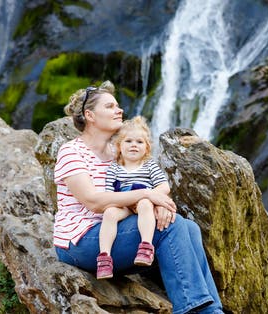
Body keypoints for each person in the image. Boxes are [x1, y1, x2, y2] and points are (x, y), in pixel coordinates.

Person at [53, 80, 223, 313]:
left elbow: (149, 183)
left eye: (117, 106)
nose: (119, 110)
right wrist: (147, 195)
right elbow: (93, 201)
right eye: (110, 107)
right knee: (171, 229)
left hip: (119, 230)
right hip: (81, 242)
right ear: (90, 115)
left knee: (189, 227)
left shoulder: (118, 152)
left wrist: (157, 205)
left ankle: (213, 310)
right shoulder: (72, 152)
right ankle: (194, 309)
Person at [98, 116, 169, 279]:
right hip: (123, 203)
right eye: (128, 141)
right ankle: (104, 257)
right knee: (109, 213)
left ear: (147, 148)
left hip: (141, 204)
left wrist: (157, 200)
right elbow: (109, 195)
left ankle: (145, 246)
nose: (134, 145)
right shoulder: (114, 168)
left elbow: (164, 186)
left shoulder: (150, 165)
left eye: (139, 142)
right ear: (119, 146)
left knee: (144, 203)